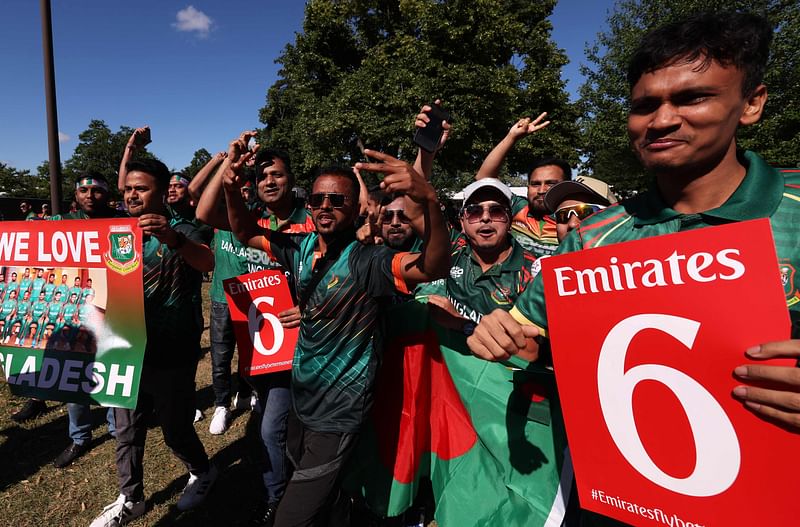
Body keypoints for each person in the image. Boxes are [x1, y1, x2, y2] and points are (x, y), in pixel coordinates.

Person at [466, 14, 800, 527]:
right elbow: (523, 330)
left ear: (751, 102)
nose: (662, 120)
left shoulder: (794, 211)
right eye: (645, 105)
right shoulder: (592, 237)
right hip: (618, 505)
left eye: (692, 98)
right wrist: (495, 330)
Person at [224, 131, 450, 527]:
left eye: (337, 200)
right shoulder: (297, 248)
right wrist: (230, 184)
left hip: (341, 411)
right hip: (302, 398)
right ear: (308, 204)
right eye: (317, 199)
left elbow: (432, 267)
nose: (325, 206)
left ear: (355, 207)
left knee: (290, 518)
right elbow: (243, 231)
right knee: (326, 499)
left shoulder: (370, 260)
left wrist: (428, 198)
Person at [90, 158, 217, 527]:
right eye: (129, 188)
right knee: (126, 429)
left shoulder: (184, 228)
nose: (132, 194)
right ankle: (131, 498)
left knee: (175, 427)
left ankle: (203, 471)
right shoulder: (113, 231)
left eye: (141, 188)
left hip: (171, 350)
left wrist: (172, 240)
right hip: (123, 346)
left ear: (162, 193)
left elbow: (207, 262)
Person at [195, 138, 313, 526]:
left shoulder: (314, 218)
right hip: (264, 343)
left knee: (273, 428)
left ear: (291, 178)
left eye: (277, 174)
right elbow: (204, 209)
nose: (268, 181)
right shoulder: (250, 220)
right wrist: (229, 163)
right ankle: (283, 488)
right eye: (261, 176)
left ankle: (280, 496)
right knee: (276, 421)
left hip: (310, 341)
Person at [49, 172, 123, 468]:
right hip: (73, 307)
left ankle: (117, 428)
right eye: (84, 191)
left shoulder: (122, 222)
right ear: (75, 196)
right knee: (74, 373)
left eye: (97, 190)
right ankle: (80, 436)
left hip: (114, 305)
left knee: (114, 367)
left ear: (107, 195)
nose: (90, 195)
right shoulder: (61, 223)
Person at [475, 114, 573, 258]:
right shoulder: (518, 208)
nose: (541, 190)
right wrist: (512, 137)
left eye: (551, 184)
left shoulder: (574, 221)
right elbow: (483, 179)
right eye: (535, 184)